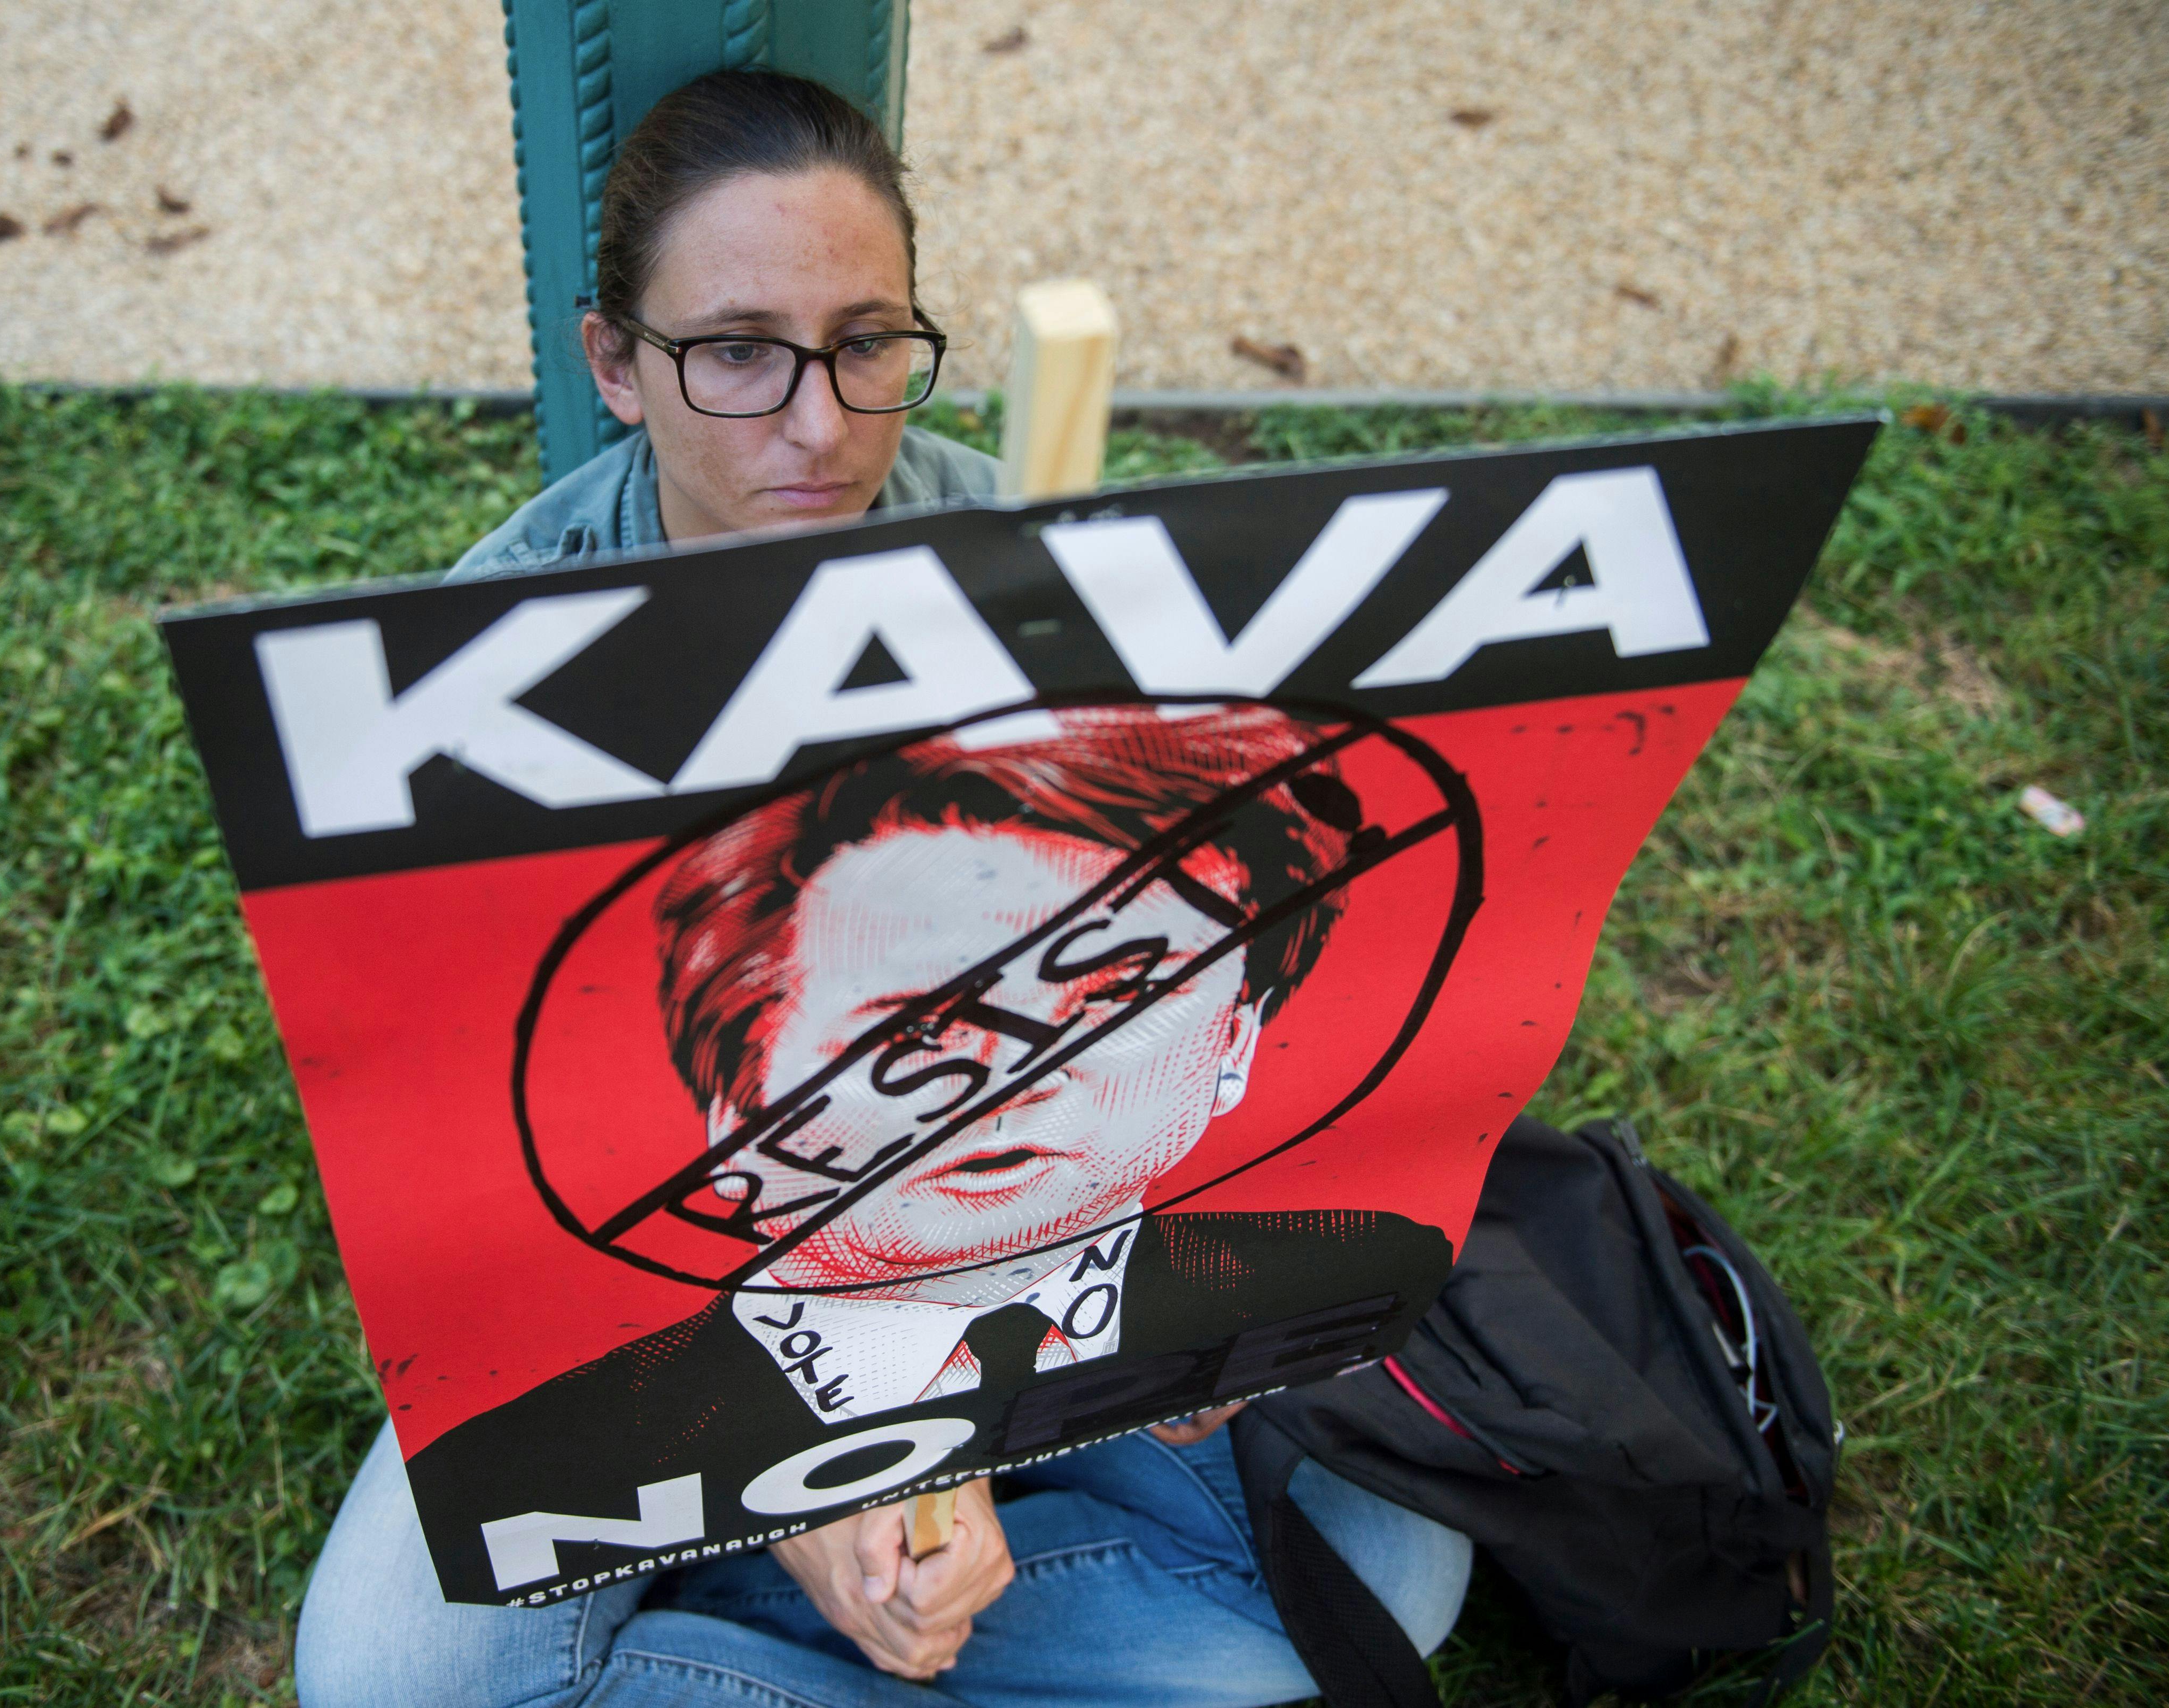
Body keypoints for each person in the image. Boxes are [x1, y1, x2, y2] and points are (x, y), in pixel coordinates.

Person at [296, 69, 1472, 1708]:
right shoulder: (487, 680)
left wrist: (1208, 1316)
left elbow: (1231, 974)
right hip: (683, 1304)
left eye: (865, 343)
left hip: (1059, 1253)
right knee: (386, 1679)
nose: (823, 426)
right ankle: (846, 1590)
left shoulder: (1036, 544)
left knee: (1392, 1576)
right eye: (737, 351)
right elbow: (493, 1189)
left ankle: (762, 1623)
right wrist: (802, 1495)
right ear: (615, 365)